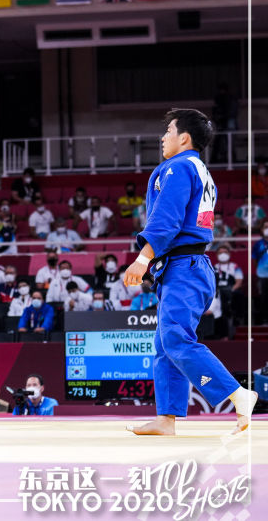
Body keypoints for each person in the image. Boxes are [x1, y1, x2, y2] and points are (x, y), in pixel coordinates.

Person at [125, 108, 256, 436]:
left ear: (184, 138)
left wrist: (143, 258)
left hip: (185, 267)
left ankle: (237, 393)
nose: (163, 138)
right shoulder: (200, 170)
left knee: (175, 338)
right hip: (188, 266)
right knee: (165, 344)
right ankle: (166, 419)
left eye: (168, 131)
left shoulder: (179, 167)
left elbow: (167, 218)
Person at [255, 225, 268, 325]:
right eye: (265, 227)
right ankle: (265, 319)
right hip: (262, 274)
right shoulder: (258, 244)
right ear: (262, 230)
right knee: (264, 297)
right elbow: (255, 259)